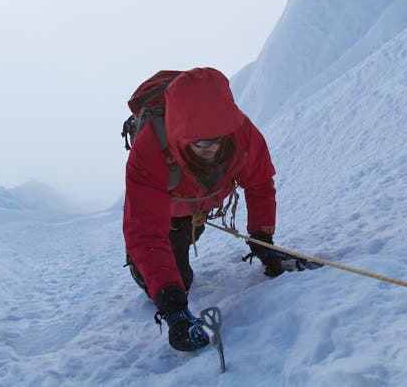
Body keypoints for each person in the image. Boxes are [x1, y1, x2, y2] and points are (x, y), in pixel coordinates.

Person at [123, 67, 287, 352]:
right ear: (181, 135)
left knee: (184, 245)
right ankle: (144, 268)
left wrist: (262, 239)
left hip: (200, 205)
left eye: (219, 138)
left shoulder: (240, 132)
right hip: (166, 214)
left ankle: (186, 233)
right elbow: (145, 231)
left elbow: (259, 183)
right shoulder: (150, 149)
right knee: (176, 283)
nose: (212, 148)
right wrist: (172, 307)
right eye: (201, 143)